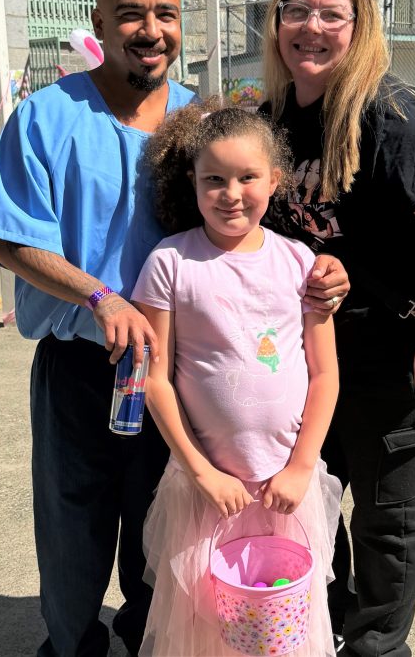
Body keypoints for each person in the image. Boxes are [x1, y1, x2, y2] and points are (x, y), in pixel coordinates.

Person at [0, 0, 350, 657]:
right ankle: (73, 646)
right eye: (131, 14)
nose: (150, 30)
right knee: (74, 530)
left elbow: (260, 217)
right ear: (99, 23)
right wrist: (98, 295)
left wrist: (325, 267)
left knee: (169, 541)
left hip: (185, 378)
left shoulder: (203, 119)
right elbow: (6, 237)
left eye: (166, 14)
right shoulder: (47, 117)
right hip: (83, 366)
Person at [260, 0, 415, 657]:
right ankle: (320, 630)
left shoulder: (391, 116)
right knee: (310, 507)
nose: (312, 27)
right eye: (298, 10)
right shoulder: (271, 118)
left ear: (359, 28)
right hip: (305, 362)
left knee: (386, 520)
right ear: (277, 22)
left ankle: (377, 648)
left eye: (332, 14)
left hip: (389, 361)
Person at [133, 104, 342, 656]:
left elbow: (325, 374)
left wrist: (300, 469)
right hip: (205, 493)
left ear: (275, 180)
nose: (231, 194)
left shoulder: (300, 262)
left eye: (248, 177)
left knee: (282, 628)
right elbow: (155, 379)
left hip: (286, 490)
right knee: (206, 629)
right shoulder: (169, 263)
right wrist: (201, 472)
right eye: (214, 180)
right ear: (193, 181)